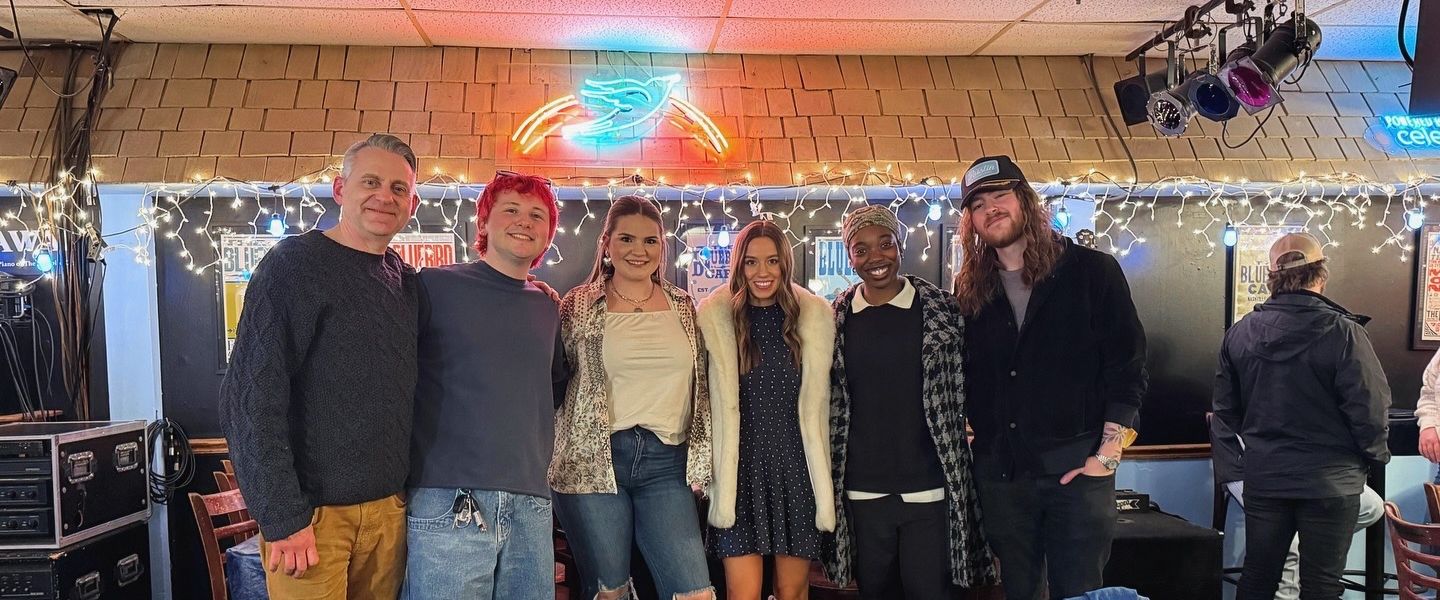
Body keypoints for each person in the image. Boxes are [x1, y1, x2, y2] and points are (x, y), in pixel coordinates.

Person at [219, 133, 420, 599]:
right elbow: (249, 400)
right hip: (312, 520)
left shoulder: (404, 283)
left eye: (398, 188)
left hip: (389, 513)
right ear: (339, 189)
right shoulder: (293, 266)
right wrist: (284, 517)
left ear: (410, 203)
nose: (384, 197)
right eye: (371, 182)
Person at [953, 155, 1147, 600]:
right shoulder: (970, 290)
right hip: (1002, 479)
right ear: (971, 220)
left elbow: (1128, 365)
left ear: (1024, 199)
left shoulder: (1092, 272)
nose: (991, 208)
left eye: (1000, 194)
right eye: (978, 203)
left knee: (1080, 593)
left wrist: (1108, 455)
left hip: (1077, 474)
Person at [402, 171, 566, 599]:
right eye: (510, 209)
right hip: (449, 499)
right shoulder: (434, 286)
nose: (524, 221)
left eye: (536, 215)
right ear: (485, 223)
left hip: (531, 504)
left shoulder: (549, 308)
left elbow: (553, 393)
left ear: (548, 234)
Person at [823, 204, 996, 599]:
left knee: (931, 592)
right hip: (863, 489)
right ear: (850, 256)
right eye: (860, 249)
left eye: (884, 244)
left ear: (899, 246)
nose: (875, 258)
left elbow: (976, 383)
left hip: (929, 487)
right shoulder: (835, 320)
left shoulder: (942, 311)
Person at [550, 195, 715, 600]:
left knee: (694, 591)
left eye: (650, 241)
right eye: (626, 239)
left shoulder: (684, 306)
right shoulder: (578, 305)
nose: (638, 251)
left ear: (662, 245)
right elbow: (555, 381)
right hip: (593, 462)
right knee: (610, 592)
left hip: (666, 462)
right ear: (606, 243)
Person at [1213, 232, 1391, 599]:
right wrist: (1372, 460)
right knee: (1322, 584)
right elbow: (1371, 410)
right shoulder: (1346, 333)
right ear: (1321, 275)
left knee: (1258, 576)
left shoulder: (1239, 334)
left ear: (1270, 276)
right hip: (1331, 481)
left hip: (1266, 477)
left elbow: (1226, 413)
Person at [697, 220, 835, 600]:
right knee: (743, 594)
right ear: (739, 265)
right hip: (738, 474)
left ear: (785, 265)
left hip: (795, 471)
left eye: (772, 261)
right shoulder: (717, 321)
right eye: (752, 262)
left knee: (792, 591)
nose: (762, 273)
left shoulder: (812, 320)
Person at [1210, 414, 1385, 600]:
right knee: (1285, 536)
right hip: (1246, 468)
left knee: (1372, 506)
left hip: (1300, 466)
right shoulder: (1255, 391)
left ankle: (1306, 563)